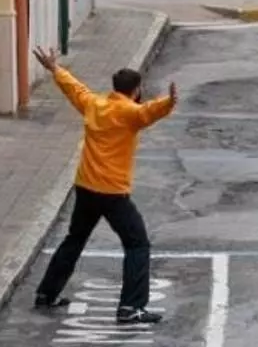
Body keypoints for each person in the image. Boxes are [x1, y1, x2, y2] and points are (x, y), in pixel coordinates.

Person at [31, 48, 177, 325]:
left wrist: (55, 69)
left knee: (74, 239)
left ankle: (47, 294)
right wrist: (169, 102)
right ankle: (131, 306)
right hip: (113, 193)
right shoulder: (130, 113)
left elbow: (75, 89)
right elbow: (149, 111)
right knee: (137, 244)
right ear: (136, 90)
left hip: (86, 187)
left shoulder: (95, 105)